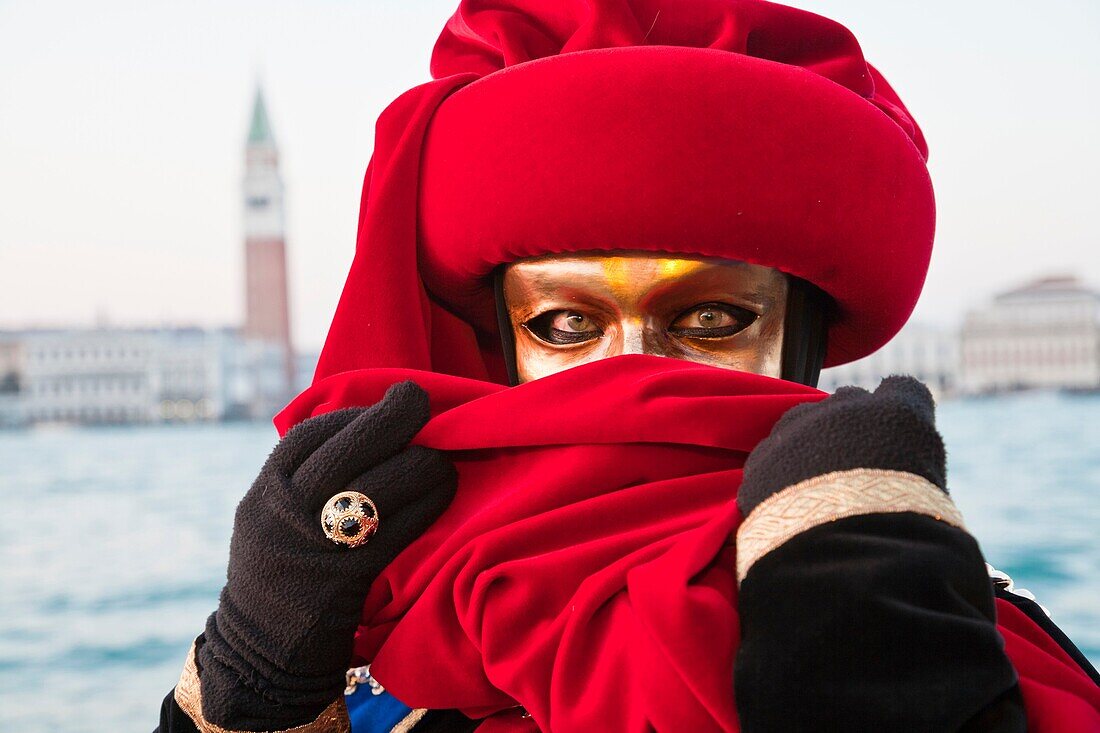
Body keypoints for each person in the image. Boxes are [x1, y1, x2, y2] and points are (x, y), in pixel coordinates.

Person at [157, 1, 1100, 731]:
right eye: (568, 324)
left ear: (799, 344)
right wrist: (257, 686)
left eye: (711, 317)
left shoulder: (948, 616)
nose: (633, 376)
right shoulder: (381, 653)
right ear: (502, 344)